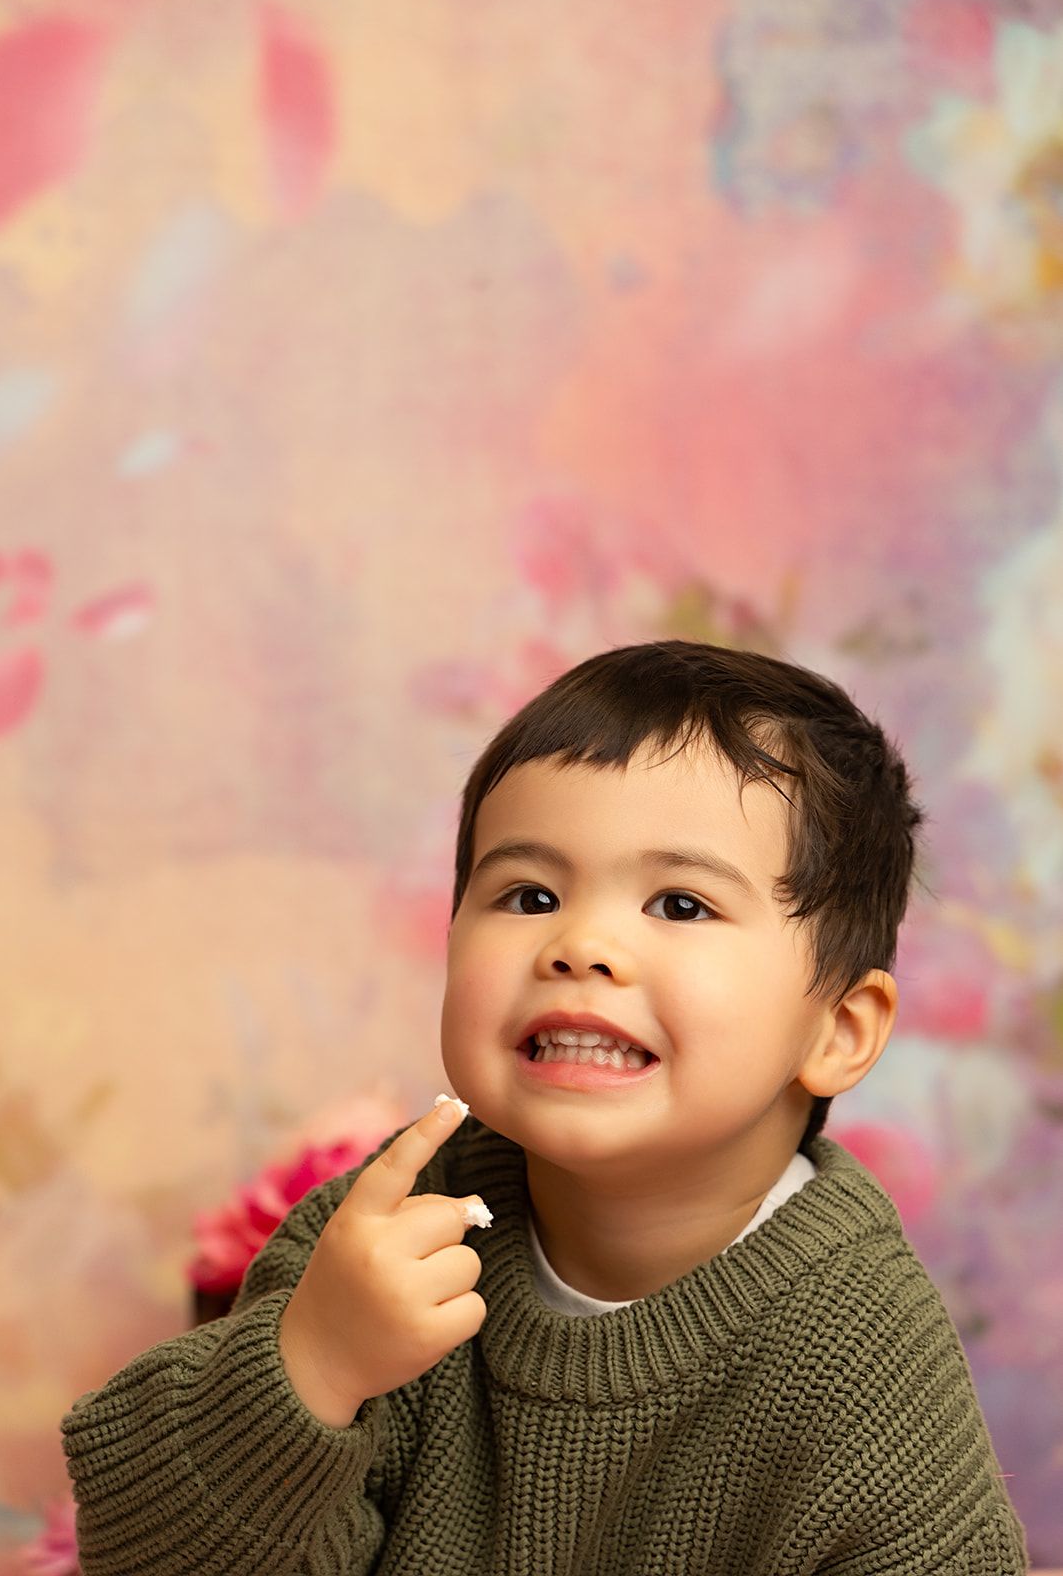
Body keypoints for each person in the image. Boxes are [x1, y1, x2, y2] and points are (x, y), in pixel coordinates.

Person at [62, 639, 1029, 1574]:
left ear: (839, 1030)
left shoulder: (863, 1367)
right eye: (527, 895)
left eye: (680, 905)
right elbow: (143, 1552)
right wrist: (310, 1366)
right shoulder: (391, 1234)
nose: (580, 945)